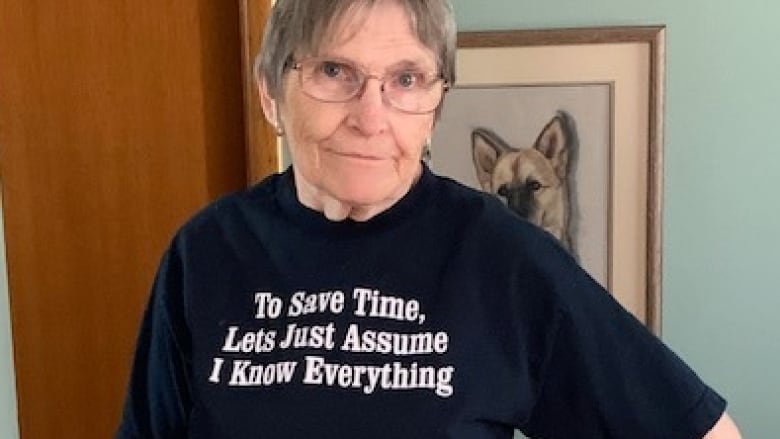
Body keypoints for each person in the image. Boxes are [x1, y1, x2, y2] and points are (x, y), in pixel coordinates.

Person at [116, 1, 742, 438]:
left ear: (435, 105)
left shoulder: (500, 258)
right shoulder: (207, 251)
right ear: (270, 92)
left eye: (407, 79)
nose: (371, 114)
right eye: (335, 71)